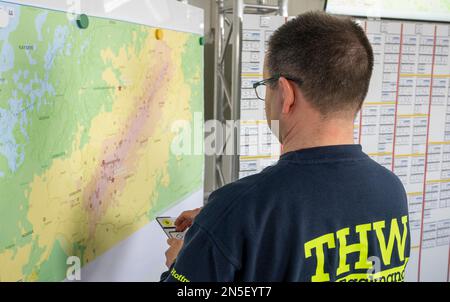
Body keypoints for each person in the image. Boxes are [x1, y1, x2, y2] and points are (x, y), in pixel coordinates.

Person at [161, 11, 410, 282]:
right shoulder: (391, 191)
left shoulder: (241, 209)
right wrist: (221, 224)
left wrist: (181, 260)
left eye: (266, 85)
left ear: (286, 93)